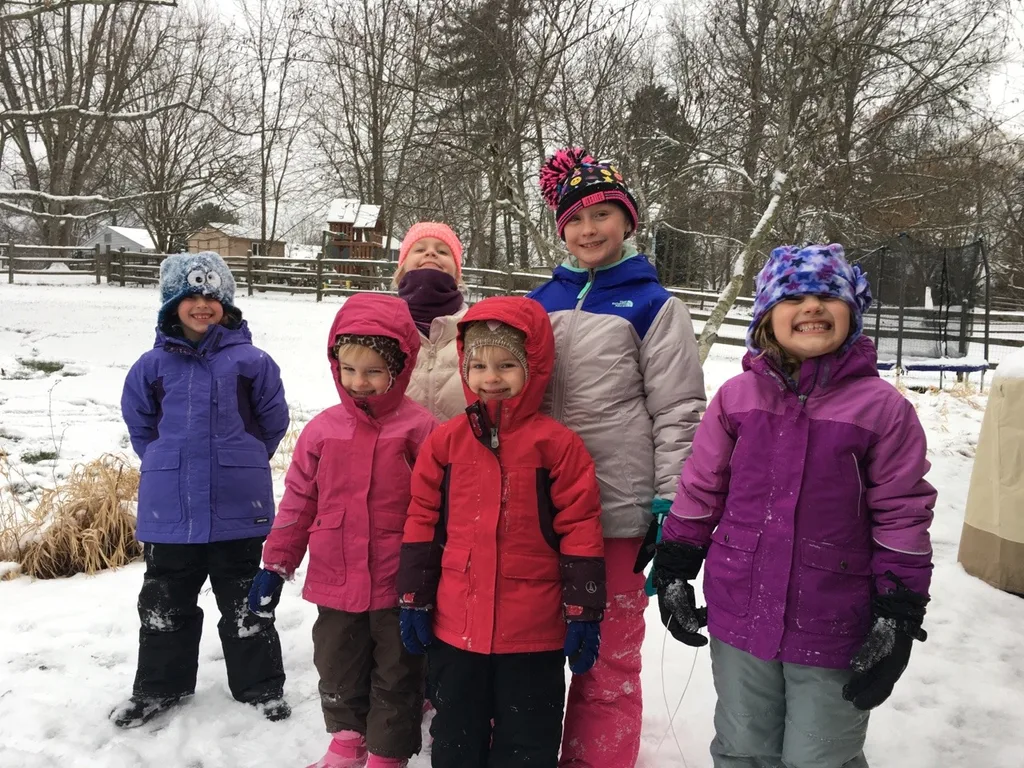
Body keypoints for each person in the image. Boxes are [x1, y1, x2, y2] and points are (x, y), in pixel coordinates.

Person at [654, 244, 936, 768]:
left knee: (820, 754)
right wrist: (675, 561)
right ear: (766, 316)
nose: (811, 307)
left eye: (828, 295)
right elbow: (700, 487)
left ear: (852, 311)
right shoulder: (736, 399)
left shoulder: (882, 410)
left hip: (833, 617)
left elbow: (902, 514)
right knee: (744, 745)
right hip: (741, 608)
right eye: (794, 296)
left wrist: (898, 612)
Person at [526, 146, 706, 767]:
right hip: (539, 508)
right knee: (535, 642)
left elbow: (679, 409)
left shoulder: (655, 305)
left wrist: (669, 503)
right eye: (574, 217)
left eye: (602, 214)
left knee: (607, 652)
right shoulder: (538, 301)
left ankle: (596, 757)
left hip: (618, 512)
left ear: (628, 222)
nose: (588, 228)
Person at [396, 296, 606, 768]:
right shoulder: (445, 442)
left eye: (507, 364)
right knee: (454, 737)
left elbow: (580, 528)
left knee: (528, 742)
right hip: (457, 627)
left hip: (533, 633)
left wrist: (584, 609)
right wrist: (413, 597)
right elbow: (422, 520)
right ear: (464, 368)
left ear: (534, 367)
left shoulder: (557, 446)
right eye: (480, 365)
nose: (492, 377)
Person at [248, 293, 437, 768]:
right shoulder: (322, 431)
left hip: (399, 582)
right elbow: (298, 501)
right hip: (336, 579)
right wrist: (276, 562)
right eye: (349, 370)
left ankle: (387, 753)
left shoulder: (421, 430)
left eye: (374, 371)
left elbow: (439, 507)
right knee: (336, 664)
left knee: (398, 671)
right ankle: (347, 739)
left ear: (400, 368)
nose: (360, 383)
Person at [113, 251, 290, 728]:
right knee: (163, 602)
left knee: (245, 601)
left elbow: (273, 421)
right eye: (190, 295)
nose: (201, 304)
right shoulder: (151, 366)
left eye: (212, 296)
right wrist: (164, 460)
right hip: (171, 509)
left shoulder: (252, 362)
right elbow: (141, 425)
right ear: (172, 304)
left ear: (226, 304)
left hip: (239, 506)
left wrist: (246, 455)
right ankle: (159, 687)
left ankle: (260, 686)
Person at [395, 222, 469, 423]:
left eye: (443, 251)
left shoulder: (476, 330)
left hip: (458, 452)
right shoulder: (384, 329)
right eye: (419, 249)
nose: (431, 253)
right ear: (401, 269)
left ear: (457, 273)